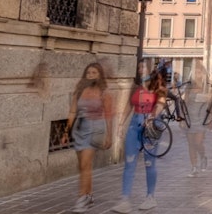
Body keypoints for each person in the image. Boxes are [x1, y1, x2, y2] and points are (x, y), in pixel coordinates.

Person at [112, 65, 167, 213]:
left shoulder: (158, 85)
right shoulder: (135, 87)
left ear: (150, 69)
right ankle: (125, 200)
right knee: (129, 162)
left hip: (150, 126)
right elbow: (129, 105)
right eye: (139, 68)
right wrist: (121, 124)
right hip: (134, 124)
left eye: (143, 67)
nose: (140, 70)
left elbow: (161, 103)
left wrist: (152, 116)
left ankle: (150, 197)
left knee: (149, 163)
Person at [65, 62, 113, 213]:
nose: (91, 75)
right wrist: (66, 131)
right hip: (79, 129)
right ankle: (89, 195)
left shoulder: (104, 92)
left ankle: (81, 198)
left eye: (94, 73)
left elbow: (108, 116)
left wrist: (109, 136)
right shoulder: (79, 90)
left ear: (99, 75)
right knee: (83, 166)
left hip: (95, 130)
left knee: (85, 164)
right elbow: (72, 111)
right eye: (88, 73)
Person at [184, 61, 209, 176]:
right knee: (191, 143)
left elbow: (209, 105)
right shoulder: (189, 87)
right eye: (195, 72)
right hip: (190, 117)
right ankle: (194, 167)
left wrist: (209, 120)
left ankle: (203, 156)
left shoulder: (206, 87)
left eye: (199, 72)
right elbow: (185, 103)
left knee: (198, 143)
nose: (197, 75)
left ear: (203, 73)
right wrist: (183, 119)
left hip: (201, 118)